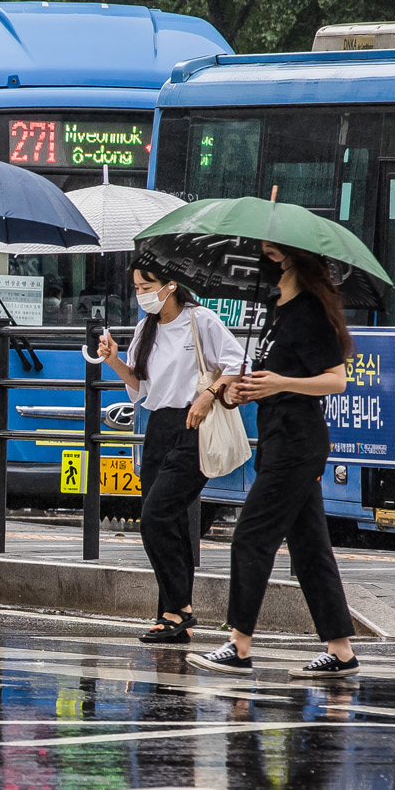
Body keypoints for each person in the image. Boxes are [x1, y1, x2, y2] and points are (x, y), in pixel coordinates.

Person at [190, 241, 361, 677]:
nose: (259, 262)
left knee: (251, 535)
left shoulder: (310, 311)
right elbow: (270, 377)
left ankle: (239, 644)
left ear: (288, 258)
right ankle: (341, 651)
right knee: (309, 548)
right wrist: (243, 389)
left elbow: (336, 381)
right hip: (275, 436)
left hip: (297, 441)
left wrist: (281, 383)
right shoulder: (276, 308)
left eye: (268, 253)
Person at [96, 266, 245, 643]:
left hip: (195, 425)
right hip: (158, 427)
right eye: (136, 288)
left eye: (147, 287)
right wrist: (113, 360)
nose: (140, 294)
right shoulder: (146, 328)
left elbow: (237, 363)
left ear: (171, 286)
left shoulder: (201, 320)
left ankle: (180, 607)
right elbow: (140, 385)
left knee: (155, 517)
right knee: (172, 521)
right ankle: (171, 615)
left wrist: (208, 396)